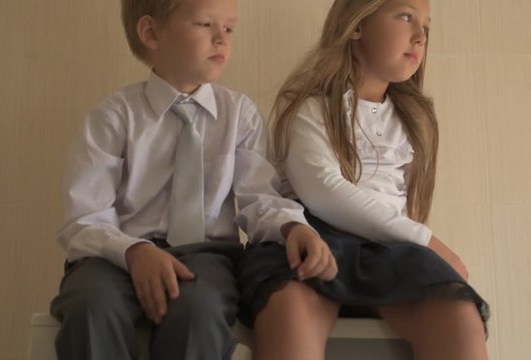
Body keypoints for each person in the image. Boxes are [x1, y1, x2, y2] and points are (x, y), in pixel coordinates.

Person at [49, 0, 328, 359]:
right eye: (205, 24)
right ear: (151, 33)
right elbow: (83, 219)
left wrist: (293, 226)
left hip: (207, 257)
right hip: (115, 256)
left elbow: (261, 197)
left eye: (228, 29)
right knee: (91, 306)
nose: (221, 40)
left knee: (200, 312)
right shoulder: (112, 118)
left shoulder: (240, 116)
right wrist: (134, 252)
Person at [237, 0, 490, 359]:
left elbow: (397, 204)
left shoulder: (412, 121)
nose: (420, 37)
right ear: (356, 27)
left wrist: (419, 252)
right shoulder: (309, 108)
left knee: (460, 314)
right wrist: (428, 242)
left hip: (385, 250)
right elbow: (324, 191)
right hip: (312, 240)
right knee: (289, 308)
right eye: (405, 17)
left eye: (426, 27)